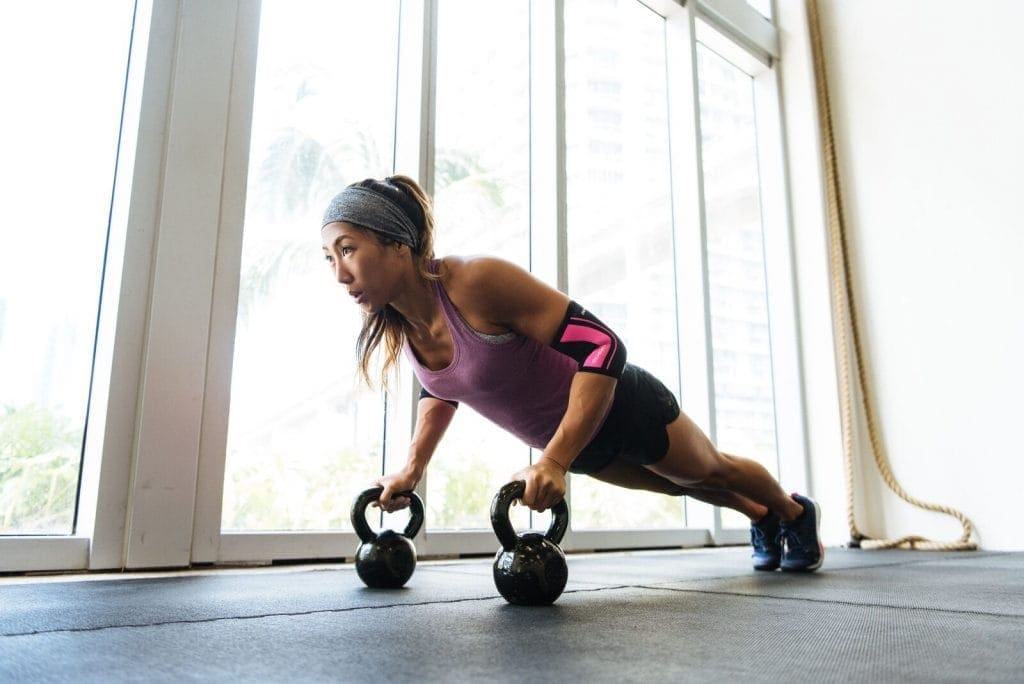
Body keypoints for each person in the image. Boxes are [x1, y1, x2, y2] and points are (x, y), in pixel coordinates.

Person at [321, 175, 824, 572]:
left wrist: (554, 461)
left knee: (709, 468)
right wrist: (411, 470)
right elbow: (439, 394)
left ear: (398, 245)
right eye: (329, 258)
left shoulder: (475, 281)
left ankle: (793, 512)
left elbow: (604, 347)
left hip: (621, 405)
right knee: (680, 486)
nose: (339, 274)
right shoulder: (403, 326)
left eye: (347, 249)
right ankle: (761, 517)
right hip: (575, 445)